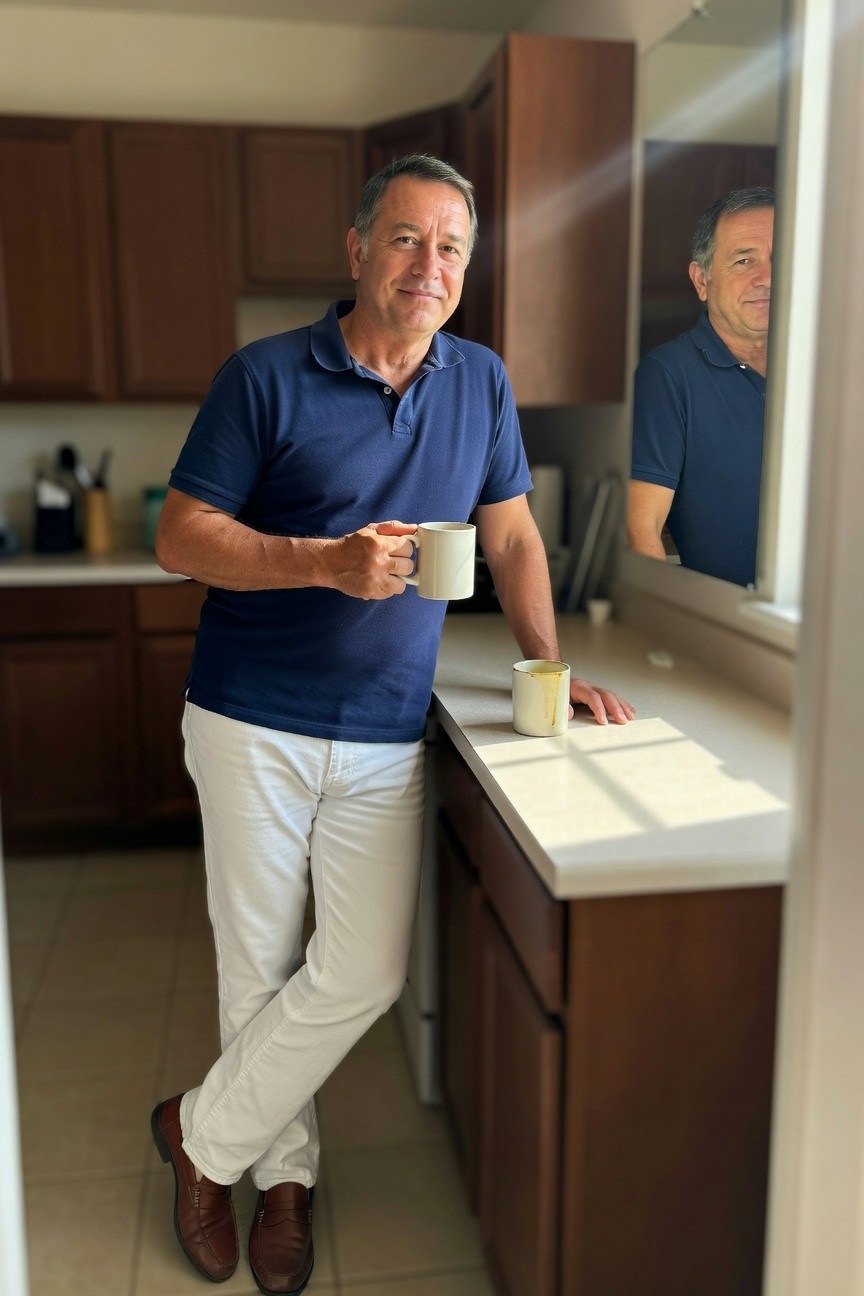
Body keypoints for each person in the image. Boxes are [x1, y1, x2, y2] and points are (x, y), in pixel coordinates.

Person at [150, 153, 635, 1296]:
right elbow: (181, 536)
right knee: (257, 971)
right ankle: (285, 1188)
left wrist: (550, 669)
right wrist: (326, 561)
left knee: (360, 971)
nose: (431, 265)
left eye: (453, 246)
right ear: (358, 251)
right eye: (409, 239)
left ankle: (196, 1135)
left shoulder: (480, 384)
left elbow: (512, 539)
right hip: (250, 719)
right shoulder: (265, 376)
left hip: (381, 730)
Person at [628, 187, 774, 587]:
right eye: (744, 261)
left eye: (780, 259)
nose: (767, 277)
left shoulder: (830, 373)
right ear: (702, 280)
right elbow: (641, 533)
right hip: (727, 627)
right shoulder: (668, 376)